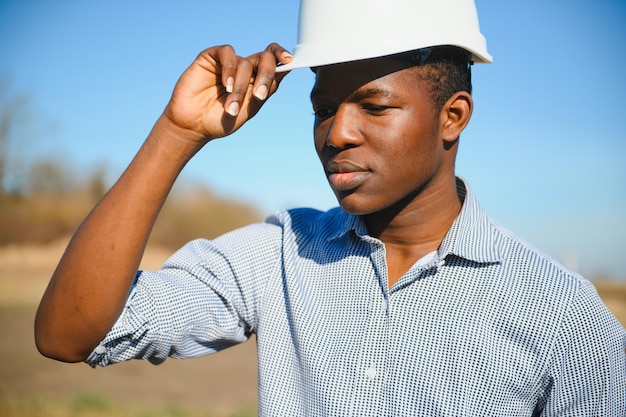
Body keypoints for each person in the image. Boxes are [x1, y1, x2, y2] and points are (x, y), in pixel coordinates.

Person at [35, 0, 625, 415]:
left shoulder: (560, 312)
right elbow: (71, 334)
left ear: (453, 116)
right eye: (323, 108)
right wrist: (176, 133)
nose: (336, 132)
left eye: (373, 106)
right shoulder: (280, 253)